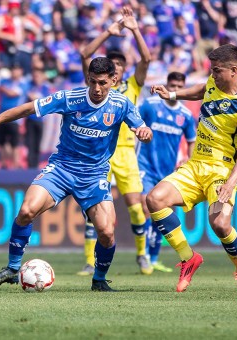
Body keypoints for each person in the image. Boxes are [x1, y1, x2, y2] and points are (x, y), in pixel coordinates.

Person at [0, 57, 153, 292]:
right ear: (87, 78)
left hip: (94, 176)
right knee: (26, 211)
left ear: (113, 80)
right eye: (92, 82)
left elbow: (142, 128)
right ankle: (13, 269)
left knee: (106, 231)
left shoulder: (121, 104)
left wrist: (145, 133)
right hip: (62, 168)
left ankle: (99, 280)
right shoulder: (70, 98)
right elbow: (28, 108)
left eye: (103, 83)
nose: (96, 89)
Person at [148, 44, 237, 293]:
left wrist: (230, 184)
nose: (213, 74)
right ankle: (188, 259)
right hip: (195, 164)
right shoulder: (214, 81)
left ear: (234, 71)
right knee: (155, 199)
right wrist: (172, 96)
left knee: (220, 224)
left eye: (217, 71)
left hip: (220, 172)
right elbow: (203, 90)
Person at [78, 6, 152, 276]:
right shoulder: (98, 87)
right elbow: (86, 54)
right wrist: (108, 32)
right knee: (93, 211)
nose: (118, 68)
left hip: (126, 153)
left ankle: (142, 255)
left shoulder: (133, 86)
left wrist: (134, 29)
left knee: (135, 206)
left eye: (121, 65)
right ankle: (89, 261)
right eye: (114, 65)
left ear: (122, 72)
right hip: (99, 153)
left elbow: (146, 58)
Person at [138, 72, 196, 273]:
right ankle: (143, 254)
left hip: (168, 170)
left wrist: (187, 159)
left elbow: (191, 141)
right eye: (172, 85)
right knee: (146, 207)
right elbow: (133, 121)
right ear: (167, 85)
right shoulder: (150, 105)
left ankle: (154, 258)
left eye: (179, 86)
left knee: (161, 212)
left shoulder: (186, 116)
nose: (175, 89)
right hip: (144, 165)